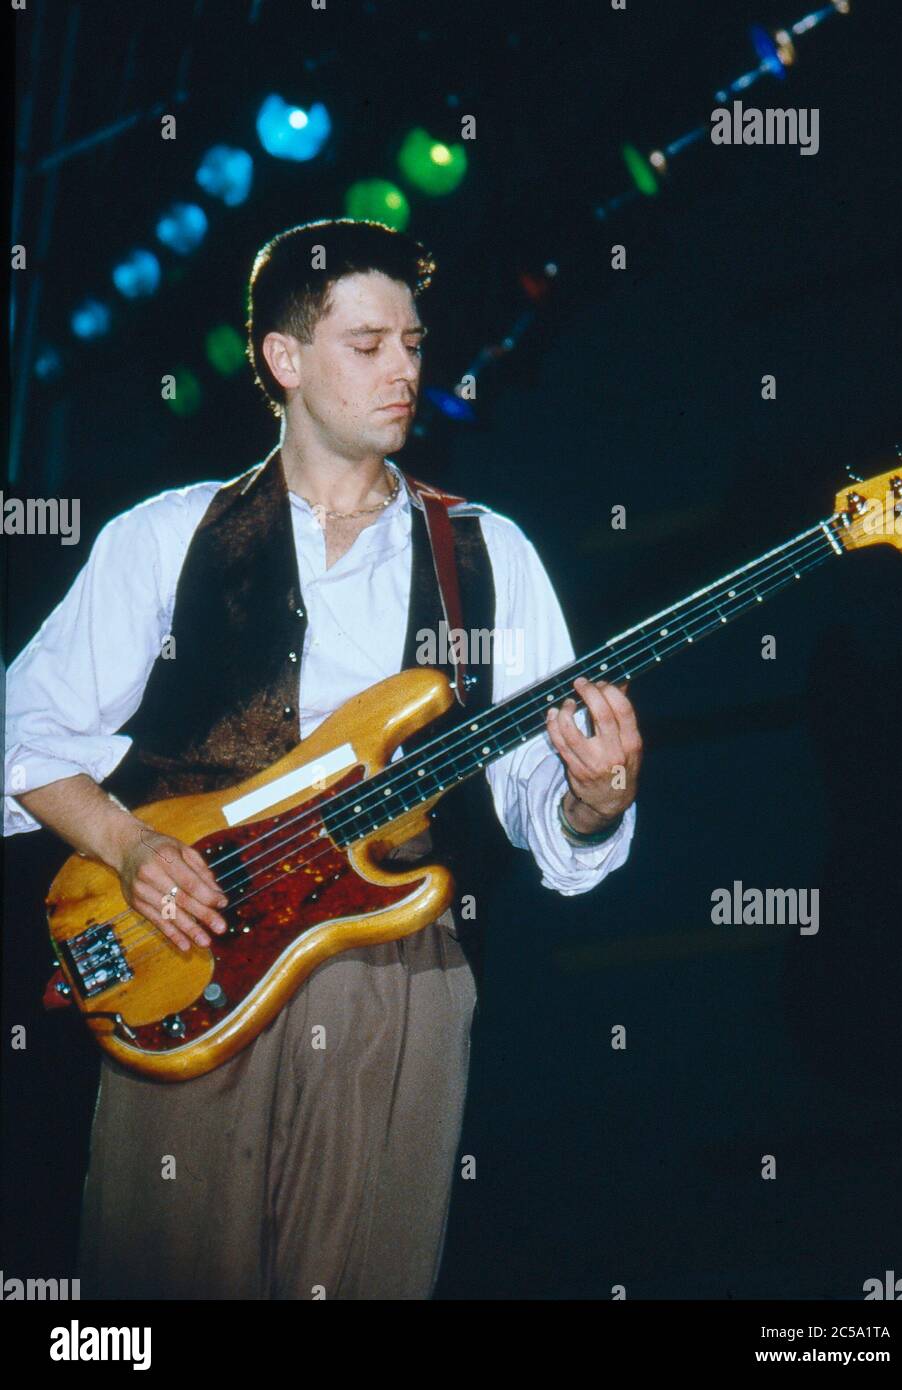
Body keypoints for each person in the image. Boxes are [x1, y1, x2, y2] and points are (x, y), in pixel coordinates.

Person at [3, 218, 643, 1299]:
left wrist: (596, 798)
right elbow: (23, 728)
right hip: (188, 960)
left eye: (413, 340)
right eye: (368, 342)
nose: (405, 367)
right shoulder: (167, 538)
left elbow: (544, 803)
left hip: (392, 973)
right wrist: (130, 844)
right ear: (284, 360)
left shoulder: (486, 551)